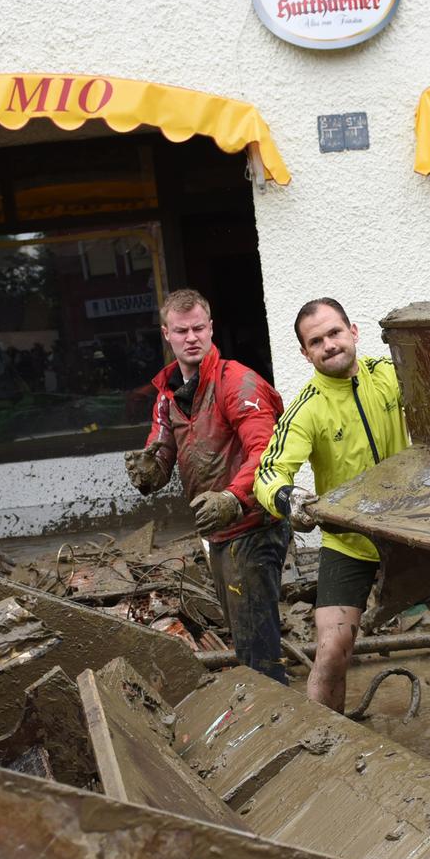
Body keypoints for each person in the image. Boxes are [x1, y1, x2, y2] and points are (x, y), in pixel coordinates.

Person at [254, 298, 430, 767]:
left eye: (334, 333)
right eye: (316, 341)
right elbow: (269, 471)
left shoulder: (391, 375)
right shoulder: (306, 409)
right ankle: (320, 755)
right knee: (332, 648)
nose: (329, 345)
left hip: (412, 531)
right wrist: (288, 499)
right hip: (348, 540)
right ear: (304, 353)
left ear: (354, 330)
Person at [125, 289, 288, 683]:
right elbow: (163, 447)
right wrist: (151, 466)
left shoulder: (238, 383)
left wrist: (234, 496)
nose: (192, 337)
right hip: (218, 532)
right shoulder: (168, 394)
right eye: (182, 330)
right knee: (243, 632)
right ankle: (267, 702)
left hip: (254, 528)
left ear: (211, 328)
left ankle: (273, 715)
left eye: (199, 328)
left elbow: (266, 453)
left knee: (255, 643)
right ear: (167, 334)